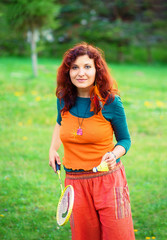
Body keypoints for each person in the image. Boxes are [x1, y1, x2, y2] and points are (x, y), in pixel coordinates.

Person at [49, 42, 135, 240]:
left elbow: (125, 140)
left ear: (97, 70)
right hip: (75, 183)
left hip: (108, 182)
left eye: (87, 67)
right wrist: (52, 149)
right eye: (75, 68)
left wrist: (114, 154)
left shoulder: (111, 102)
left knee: (118, 236)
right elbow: (60, 122)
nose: (81, 73)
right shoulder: (63, 98)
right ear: (68, 72)